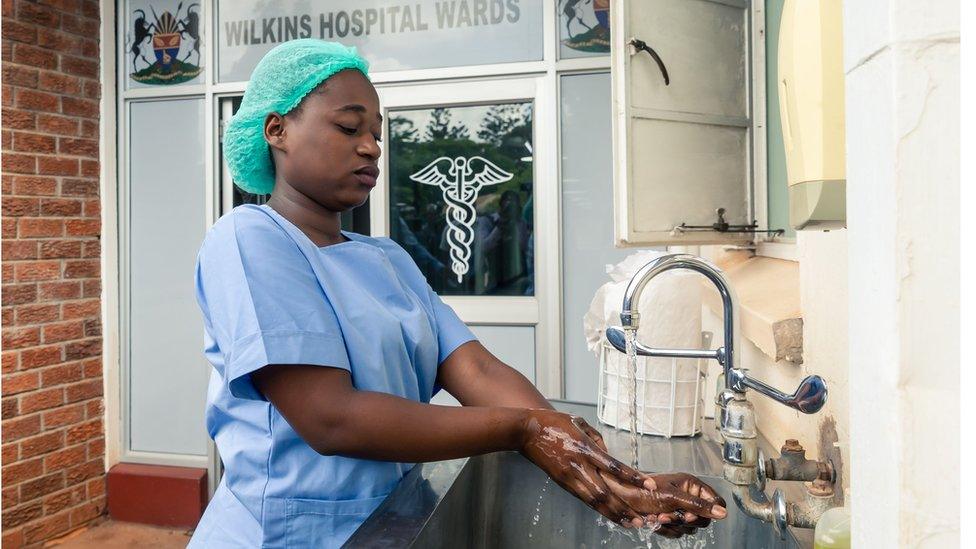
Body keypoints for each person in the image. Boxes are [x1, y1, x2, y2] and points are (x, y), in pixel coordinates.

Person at [190, 39, 726, 548]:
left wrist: (618, 479)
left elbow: (478, 373)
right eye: (349, 126)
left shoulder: (387, 260)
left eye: (378, 132)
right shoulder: (248, 239)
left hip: (390, 524)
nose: (371, 146)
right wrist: (527, 429)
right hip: (286, 535)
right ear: (278, 130)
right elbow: (331, 417)